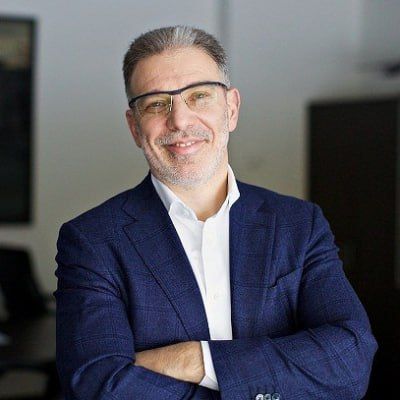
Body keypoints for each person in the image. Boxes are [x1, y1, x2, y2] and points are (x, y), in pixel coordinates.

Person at [55, 26, 377, 400]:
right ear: (135, 127)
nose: (179, 121)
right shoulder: (92, 240)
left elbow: (350, 359)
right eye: (156, 104)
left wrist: (198, 359)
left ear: (231, 109)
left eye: (199, 96)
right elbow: (99, 386)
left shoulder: (298, 224)